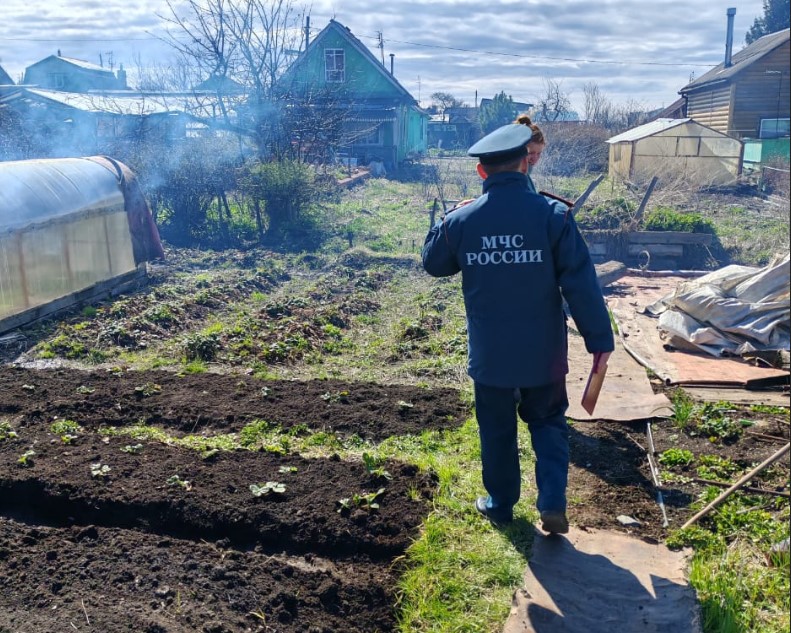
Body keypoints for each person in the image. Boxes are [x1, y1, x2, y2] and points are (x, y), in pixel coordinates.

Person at [421, 123, 614, 534]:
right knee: (548, 422)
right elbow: (581, 285)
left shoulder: (463, 220)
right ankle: (552, 502)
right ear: (525, 164)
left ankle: (500, 504)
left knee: (496, 429)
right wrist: (599, 340)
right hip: (543, 352)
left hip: (491, 352)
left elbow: (434, 264)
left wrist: (448, 218)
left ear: (481, 172)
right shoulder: (554, 216)